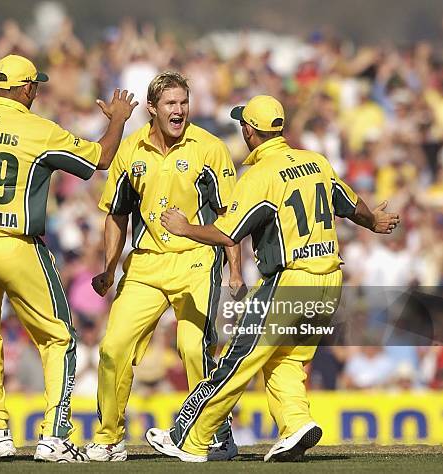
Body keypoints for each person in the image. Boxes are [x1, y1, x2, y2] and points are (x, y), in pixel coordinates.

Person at [146, 95, 400, 462]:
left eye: (242, 125)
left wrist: (185, 228)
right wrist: (373, 222)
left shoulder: (261, 175)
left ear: (250, 131)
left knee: (238, 359)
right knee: (285, 361)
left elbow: (227, 233)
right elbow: (351, 203)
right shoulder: (316, 161)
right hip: (330, 282)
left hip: (290, 280)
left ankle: (191, 440)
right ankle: (296, 423)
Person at [0, 54, 137, 462]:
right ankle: (55, 436)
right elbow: (100, 159)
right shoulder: (39, 131)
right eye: (36, 86)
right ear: (27, 88)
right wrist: (117, 119)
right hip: (15, 244)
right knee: (59, 338)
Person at [85, 71, 244, 462]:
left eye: (184, 103)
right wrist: (109, 268)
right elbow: (117, 214)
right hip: (145, 265)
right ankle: (108, 439)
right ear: (152, 109)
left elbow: (229, 217)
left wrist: (235, 270)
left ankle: (215, 435)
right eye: (171, 104)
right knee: (113, 348)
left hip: (195, 260)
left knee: (192, 347)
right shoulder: (130, 149)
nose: (179, 111)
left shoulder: (209, 148)